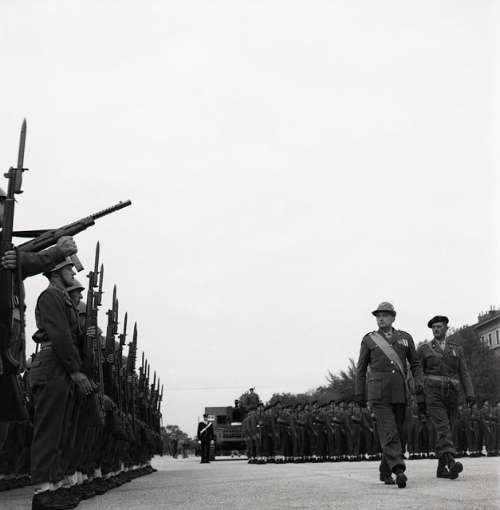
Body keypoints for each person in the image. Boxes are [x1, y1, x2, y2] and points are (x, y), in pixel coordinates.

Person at [30, 257, 92, 510]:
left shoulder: (61, 298)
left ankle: (54, 487)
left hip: (60, 365)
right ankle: (42, 492)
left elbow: (72, 337)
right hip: (53, 365)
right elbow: (61, 336)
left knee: (61, 432)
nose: (73, 272)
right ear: (56, 272)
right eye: (68, 269)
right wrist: (75, 370)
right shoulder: (51, 296)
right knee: (49, 430)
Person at [355, 302, 422, 488]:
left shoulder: (405, 338)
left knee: (400, 432)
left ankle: (385, 470)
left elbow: (415, 364)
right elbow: (361, 369)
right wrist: (360, 393)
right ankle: (398, 469)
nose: (381, 319)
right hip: (379, 394)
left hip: (400, 392)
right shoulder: (369, 339)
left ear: (393, 317)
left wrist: (419, 382)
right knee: (389, 431)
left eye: (385, 315)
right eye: (378, 316)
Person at [417, 315, 474, 479]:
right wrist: (420, 399)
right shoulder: (424, 349)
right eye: (434, 327)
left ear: (446, 328)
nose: (436, 329)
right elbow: (417, 375)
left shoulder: (456, 349)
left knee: (449, 428)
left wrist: (470, 393)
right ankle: (451, 462)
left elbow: (464, 372)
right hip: (433, 394)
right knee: (444, 428)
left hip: (452, 394)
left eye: (439, 326)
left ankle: (441, 469)